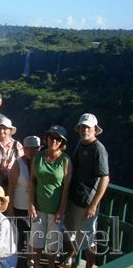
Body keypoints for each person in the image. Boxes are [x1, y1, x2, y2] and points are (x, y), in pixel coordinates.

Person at [64, 114, 110, 268]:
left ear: (95, 130)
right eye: (83, 127)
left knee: (89, 238)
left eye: (88, 127)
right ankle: (71, 259)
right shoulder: (81, 143)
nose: (85, 130)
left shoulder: (99, 149)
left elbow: (105, 178)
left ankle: (89, 265)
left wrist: (93, 205)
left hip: (87, 202)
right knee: (72, 231)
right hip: (74, 197)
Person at [28, 125, 72, 268]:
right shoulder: (38, 157)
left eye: (58, 139)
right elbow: (32, 181)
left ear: (62, 142)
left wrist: (61, 209)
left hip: (55, 210)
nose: (54, 141)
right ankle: (36, 265)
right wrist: (31, 203)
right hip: (39, 207)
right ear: (46, 138)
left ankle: (50, 265)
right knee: (37, 241)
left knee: (53, 243)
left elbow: (66, 188)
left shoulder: (65, 160)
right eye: (51, 137)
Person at [8, 136, 41, 253]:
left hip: (38, 207)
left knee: (35, 237)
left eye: (34, 148)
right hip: (20, 207)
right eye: (28, 148)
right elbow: (11, 187)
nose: (31, 151)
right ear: (23, 149)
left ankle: (31, 261)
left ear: (39, 149)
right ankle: (17, 261)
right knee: (20, 237)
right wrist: (10, 208)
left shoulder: (42, 163)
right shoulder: (18, 164)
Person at [0, 117, 24, 190]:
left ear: (10, 131)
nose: (1, 131)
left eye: (4, 128)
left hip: (12, 184)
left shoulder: (17, 145)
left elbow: (22, 165)